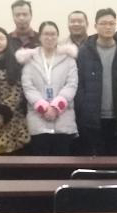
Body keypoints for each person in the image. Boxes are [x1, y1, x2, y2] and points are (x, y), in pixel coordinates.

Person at [75, 8, 117, 156]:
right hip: (92, 118)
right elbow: (78, 84)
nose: (108, 27)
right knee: (94, 161)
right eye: (103, 23)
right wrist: (84, 108)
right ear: (95, 26)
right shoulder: (84, 52)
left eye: (111, 23)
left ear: (116, 25)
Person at [21, 21, 79, 155]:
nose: (49, 38)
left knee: (62, 161)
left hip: (63, 118)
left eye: (53, 34)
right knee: (40, 161)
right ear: (40, 36)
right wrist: (43, 107)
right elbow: (28, 86)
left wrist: (55, 107)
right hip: (38, 118)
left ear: (58, 36)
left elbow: (71, 84)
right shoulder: (30, 58)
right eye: (46, 34)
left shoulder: (68, 58)